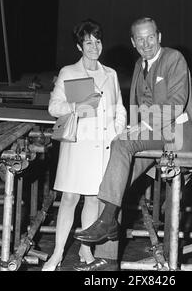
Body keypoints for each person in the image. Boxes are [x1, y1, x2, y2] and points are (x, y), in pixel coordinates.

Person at [73, 17, 192, 264]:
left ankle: (112, 224)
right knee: (112, 184)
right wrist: (133, 126)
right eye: (140, 39)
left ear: (159, 37)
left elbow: (177, 102)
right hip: (150, 135)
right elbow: (135, 105)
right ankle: (107, 260)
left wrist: (145, 125)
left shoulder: (174, 59)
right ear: (133, 42)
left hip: (174, 135)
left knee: (169, 201)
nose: (146, 43)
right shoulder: (137, 65)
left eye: (150, 37)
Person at [42, 19, 127, 271]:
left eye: (97, 41)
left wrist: (117, 130)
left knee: (92, 199)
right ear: (79, 46)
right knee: (69, 198)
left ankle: (86, 250)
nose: (94, 46)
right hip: (78, 143)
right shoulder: (69, 72)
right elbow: (53, 107)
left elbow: (119, 108)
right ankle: (57, 254)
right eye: (88, 42)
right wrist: (75, 107)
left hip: (102, 146)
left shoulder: (110, 74)